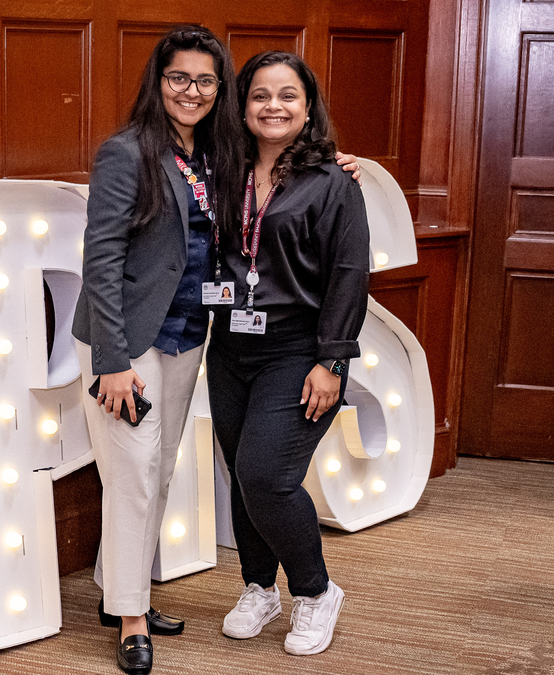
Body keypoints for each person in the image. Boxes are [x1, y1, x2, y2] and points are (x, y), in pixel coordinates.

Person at [71, 24, 244, 675]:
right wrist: (112, 360)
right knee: (136, 474)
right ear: (159, 82)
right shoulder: (128, 153)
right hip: (127, 345)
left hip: (184, 338)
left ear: (217, 87)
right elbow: (102, 256)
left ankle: (119, 590)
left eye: (204, 79)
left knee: (153, 473)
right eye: (179, 78)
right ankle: (132, 618)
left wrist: (327, 163)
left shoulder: (213, 155)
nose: (191, 90)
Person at [207, 50, 370, 656]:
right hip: (228, 349)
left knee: (266, 474)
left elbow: (350, 274)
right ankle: (258, 586)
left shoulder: (333, 183)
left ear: (307, 109)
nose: (273, 106)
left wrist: (332, 362)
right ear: (242, 106)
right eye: (259, 96)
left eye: (287, 96)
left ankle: (315, 591)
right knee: (240, 473)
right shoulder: (222, 172)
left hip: (299, 353)